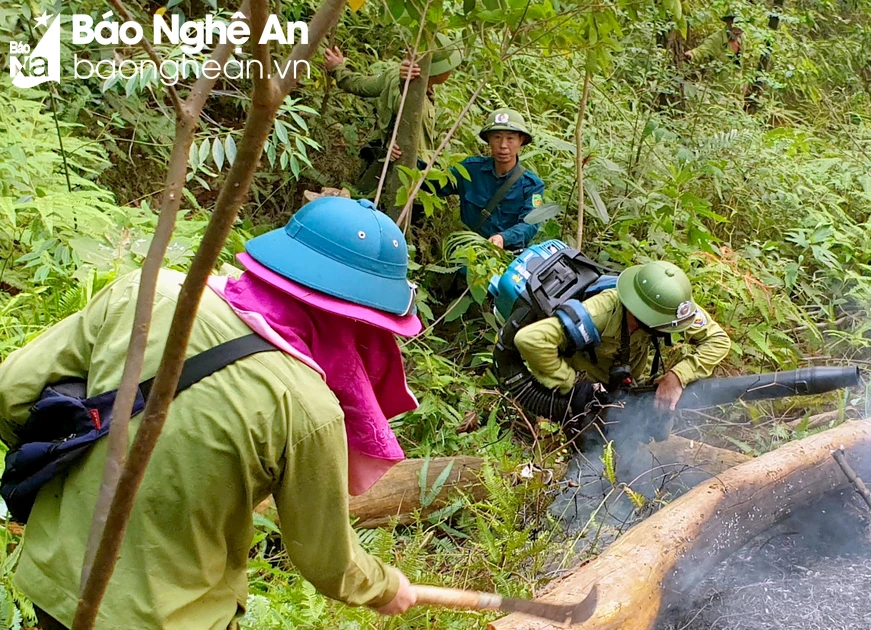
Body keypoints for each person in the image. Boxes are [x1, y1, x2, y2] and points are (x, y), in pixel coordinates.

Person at [0, 197, 423, 629]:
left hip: (57, 583)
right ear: (360, 320)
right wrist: (385, 587)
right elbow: (326, 558)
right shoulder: (308, 409)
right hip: (173, 617)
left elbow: (11, 391)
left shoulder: (149, 291)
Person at [510, 260, 731, 431]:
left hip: (620, 383)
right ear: (643, 314)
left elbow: (719, 341)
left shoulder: (671, 307)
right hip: (583, 386)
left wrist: (678, 376)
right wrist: (572, 383)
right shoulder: (602, 310)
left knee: (653, 429)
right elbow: (529, 339)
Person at [323, 35, 464, 211]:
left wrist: (338, 68)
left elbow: (359, 84)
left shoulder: (409, 81)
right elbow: (401, 101)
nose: (450, 72)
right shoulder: (404, 86)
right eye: (448, 68)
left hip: (413, 172)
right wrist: (404, 82)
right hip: (399, 175)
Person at [429, 108, 545, 251]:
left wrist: (503, 238)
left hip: (508, 257)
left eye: (510, 138)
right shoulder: (470, 170)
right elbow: (434, 181)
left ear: (521, 141)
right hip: (468, 253)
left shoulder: (532, 185)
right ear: (488, 140)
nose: (503, 145)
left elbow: (530, 224)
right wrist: (401, 157)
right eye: (497, 137)